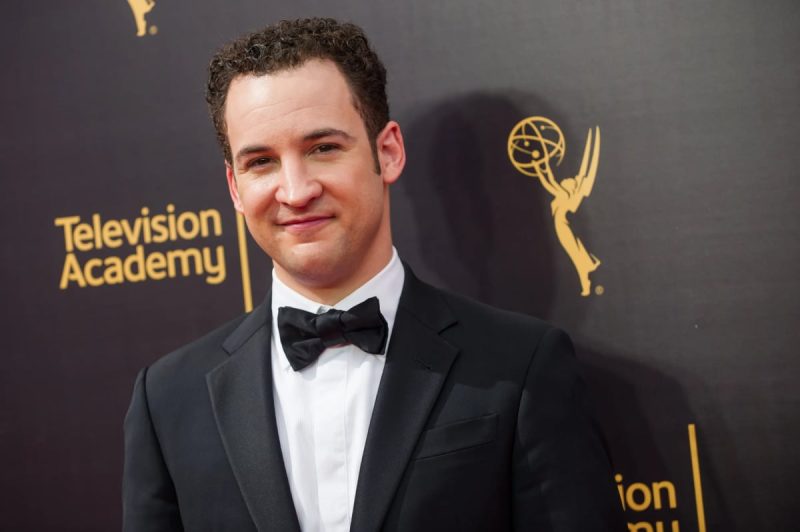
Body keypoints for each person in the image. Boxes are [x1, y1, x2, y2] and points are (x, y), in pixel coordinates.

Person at [122, 17, 624, 532]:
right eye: (261, 162)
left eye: (323, 148)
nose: (295, 191)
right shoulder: (167, 399)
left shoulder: (522, 366)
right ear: (234, 187)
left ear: (388, 152)